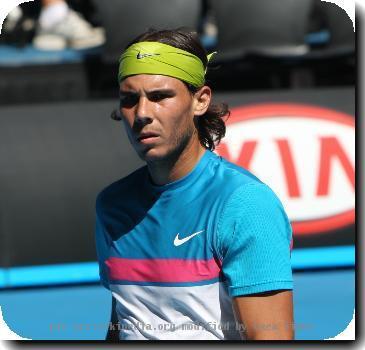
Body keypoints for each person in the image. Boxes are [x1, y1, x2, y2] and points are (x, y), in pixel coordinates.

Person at [95, 28, 294, 341]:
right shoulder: (111, 205)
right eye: (129, 100)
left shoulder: (246, 205)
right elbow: (124, 320)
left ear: (200, 101)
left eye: (160, 96)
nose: (142, 113)